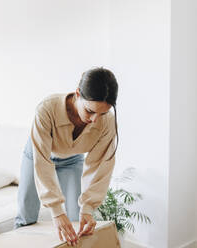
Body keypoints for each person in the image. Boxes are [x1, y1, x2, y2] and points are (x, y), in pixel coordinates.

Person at [14, 67, 119, 246]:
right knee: (27, 214)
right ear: (78, 94)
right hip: (37, 155)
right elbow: (43, 162)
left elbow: (100, 166)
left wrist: (88, 208)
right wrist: (56, 212)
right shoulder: (47, 108)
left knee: (76, 220)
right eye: (90, 111)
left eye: (102, 113)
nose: (95, 120)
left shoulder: (107, 121)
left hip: (71, 159)